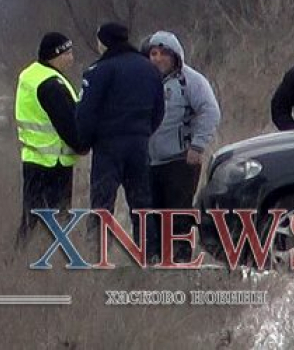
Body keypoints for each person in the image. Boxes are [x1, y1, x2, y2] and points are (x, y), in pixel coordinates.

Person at [76, 22, 165, 261]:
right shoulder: (150, 69)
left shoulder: (99, 70)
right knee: (142, 203)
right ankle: (149, 257)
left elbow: (86, 112)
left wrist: (84, 142)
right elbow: (159, 111)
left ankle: (96, 255)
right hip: (139, 144)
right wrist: (143, 132)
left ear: (104, 42)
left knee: (102, 204)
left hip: (108, 146)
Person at [146, 30, 221, 262]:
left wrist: (197, 146)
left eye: (164, 54)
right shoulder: (143, 81)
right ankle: (155, 261)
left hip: (180, 160)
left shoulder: (190, 80)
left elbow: (210, 111)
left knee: (177, 215)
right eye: (153, 53)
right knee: (151, 215)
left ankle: (180, 261)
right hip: (148, 162)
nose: (158, 59)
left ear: (175, 56)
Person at [14, 32, 87, 244]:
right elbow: (67, 124)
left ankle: (20, 259)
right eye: (68, 53)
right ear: (56, 55)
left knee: (31, 218)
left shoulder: (31, 74)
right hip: (54, 162)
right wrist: (82, 145)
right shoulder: (51, 85)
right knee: (56, 221)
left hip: (33, 158)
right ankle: (48, 263)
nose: (71, 58)